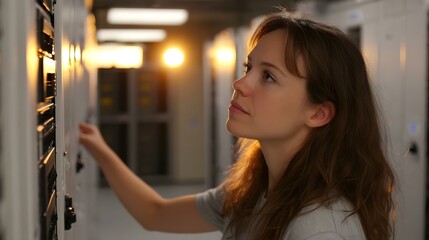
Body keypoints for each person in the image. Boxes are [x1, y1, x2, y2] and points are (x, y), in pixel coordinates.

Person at [79, 10, 395, 240]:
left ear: (318, 113)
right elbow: (155, 214)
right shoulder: (255, 191)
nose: (240, 83)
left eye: (268, 76)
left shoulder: (319, 229)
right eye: (249, 68)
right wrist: (99, 148)